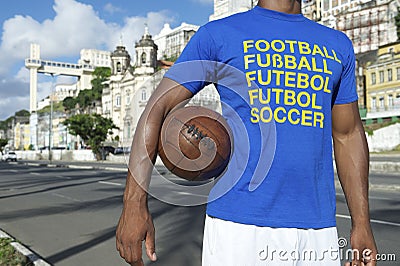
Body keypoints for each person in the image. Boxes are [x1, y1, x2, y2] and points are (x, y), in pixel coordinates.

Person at [116, 0, 378, 265]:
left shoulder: (337, 44)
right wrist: (133, 203)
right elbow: (157, 108)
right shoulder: (218, 35)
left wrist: (362, 223)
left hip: (318, 229)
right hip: (238, 228)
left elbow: (348, 134)